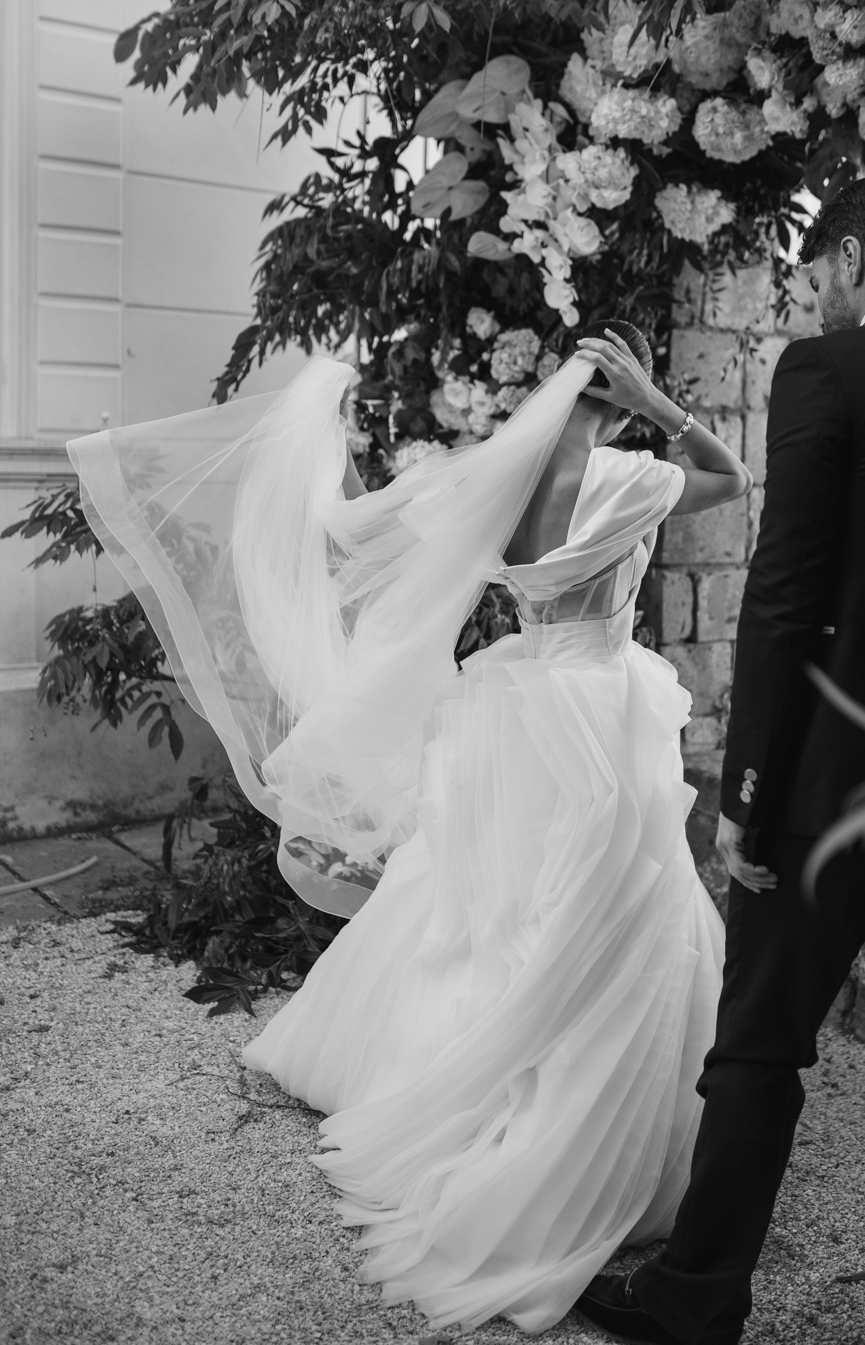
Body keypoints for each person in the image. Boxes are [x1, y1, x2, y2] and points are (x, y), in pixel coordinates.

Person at [67, 319, 750, 1331]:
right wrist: (663, 409)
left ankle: (436, 1072)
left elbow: (352, 539)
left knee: (485, 902)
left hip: (518, 703)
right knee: (606, 902)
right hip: (597, 706)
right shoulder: (624, 482)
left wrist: (328, 434)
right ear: (612, 397)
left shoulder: (488, 485)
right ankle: (569, 1129)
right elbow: (727, 477)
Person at [576, 178, 865, 1345]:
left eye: (820, 273)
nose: (816, 296)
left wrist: (746, 795)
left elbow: (783, 593)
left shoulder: (829, 374)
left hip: (825, 789)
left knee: (759, 1050)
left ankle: (695, 1298)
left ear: (856, 261)